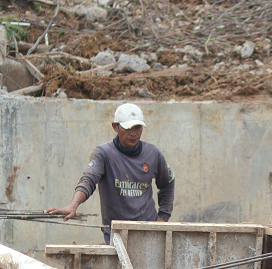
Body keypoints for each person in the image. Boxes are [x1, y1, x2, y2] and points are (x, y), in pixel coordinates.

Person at [46, 103, 175, 244]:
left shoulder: (152, 153)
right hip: (116, 234)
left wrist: (162, 218)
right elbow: (89, 180)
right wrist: (73, 205)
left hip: (148, 232)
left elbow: (168, 183)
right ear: (115, 127)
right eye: (128, 128)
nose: (133, 133)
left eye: (137, 127)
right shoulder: (104, 153)